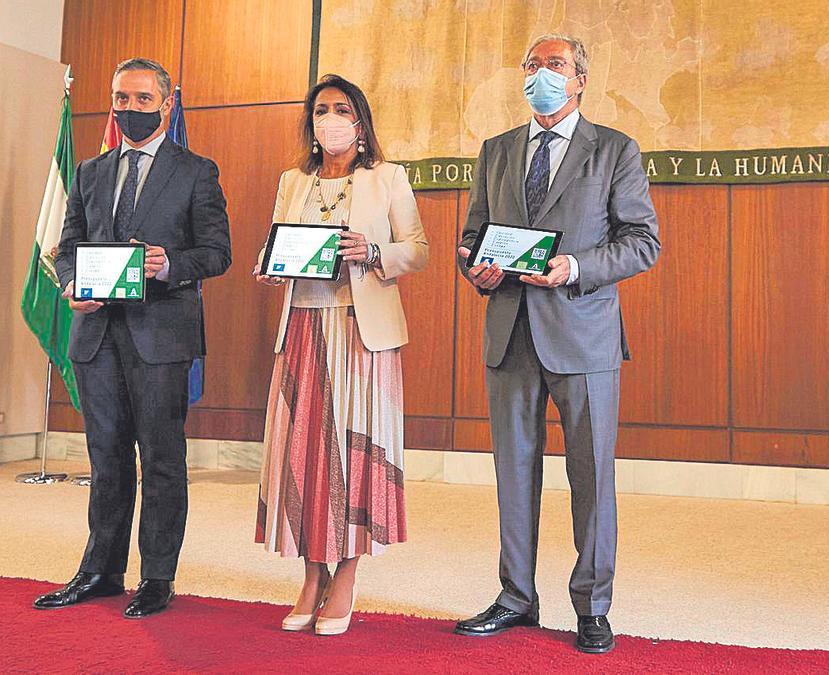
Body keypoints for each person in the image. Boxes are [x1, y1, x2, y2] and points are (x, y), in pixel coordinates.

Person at [454, 34, 660, 654]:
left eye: (555, 65)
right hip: (510, 331)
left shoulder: (615, 149)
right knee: (512, 474)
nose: (541, 74)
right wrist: (476, 269)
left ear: (579, 81)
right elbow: (474, 238)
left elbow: (641, 241)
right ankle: (516, 597)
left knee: (590, 476)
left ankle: (592, 606)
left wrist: (572, 268)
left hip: (583, 333)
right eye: (533, 65)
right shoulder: (496, 151)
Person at [35, 58, 232, 618]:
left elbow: (217, 253)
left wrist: (169, 263)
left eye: (143, 100)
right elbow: (68, 244)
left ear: (167, 105)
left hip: (161, 338)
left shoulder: (196, 171)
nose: (130, 109)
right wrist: (72, 281)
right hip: (96, 335)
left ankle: (157, 578)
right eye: (121, 98)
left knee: (162, 459)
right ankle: (100, 570)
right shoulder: (90, 172)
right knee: (107, 459)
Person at [253, 74, 428, 636]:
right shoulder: (291, 181)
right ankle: (311, 574)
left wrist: (373, 251)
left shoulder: (388, 178)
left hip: (361, 330)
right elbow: (278, 239)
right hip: (302, 325)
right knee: (303, 453)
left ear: (360, 120)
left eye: (342, 109)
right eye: (322, 109)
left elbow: (417, 251)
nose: (331, 118)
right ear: (312, 121)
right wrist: (268, 261)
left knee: (351, 456)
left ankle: (346, 575)